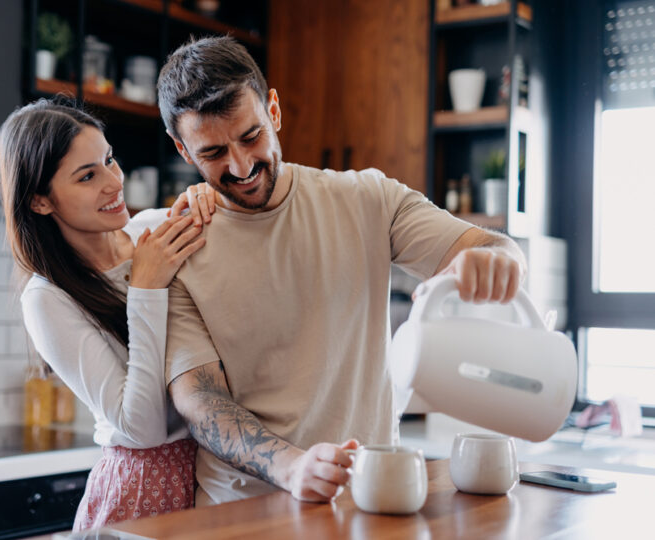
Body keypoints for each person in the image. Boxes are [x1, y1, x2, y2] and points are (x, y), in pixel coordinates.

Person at [156, 36, 528, 506]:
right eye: (212, 153)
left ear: (273, 111)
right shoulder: (179, 246)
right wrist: (292, 467)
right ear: (183, 151)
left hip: (366, 497)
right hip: (239, 512)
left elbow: (495, 246)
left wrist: (495, 260)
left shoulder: (368, 199)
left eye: (251, 136)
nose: (241, 164)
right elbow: (201, 402)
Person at [0, 99, 217, 528]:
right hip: (141, 492)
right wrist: (146, 289)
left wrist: (212, 199)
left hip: (215, 474)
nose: (114, 181)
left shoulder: (154, 229)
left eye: (109, 160)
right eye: (87, 175)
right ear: (40, 201)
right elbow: (144, 429)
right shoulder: (47, 298)